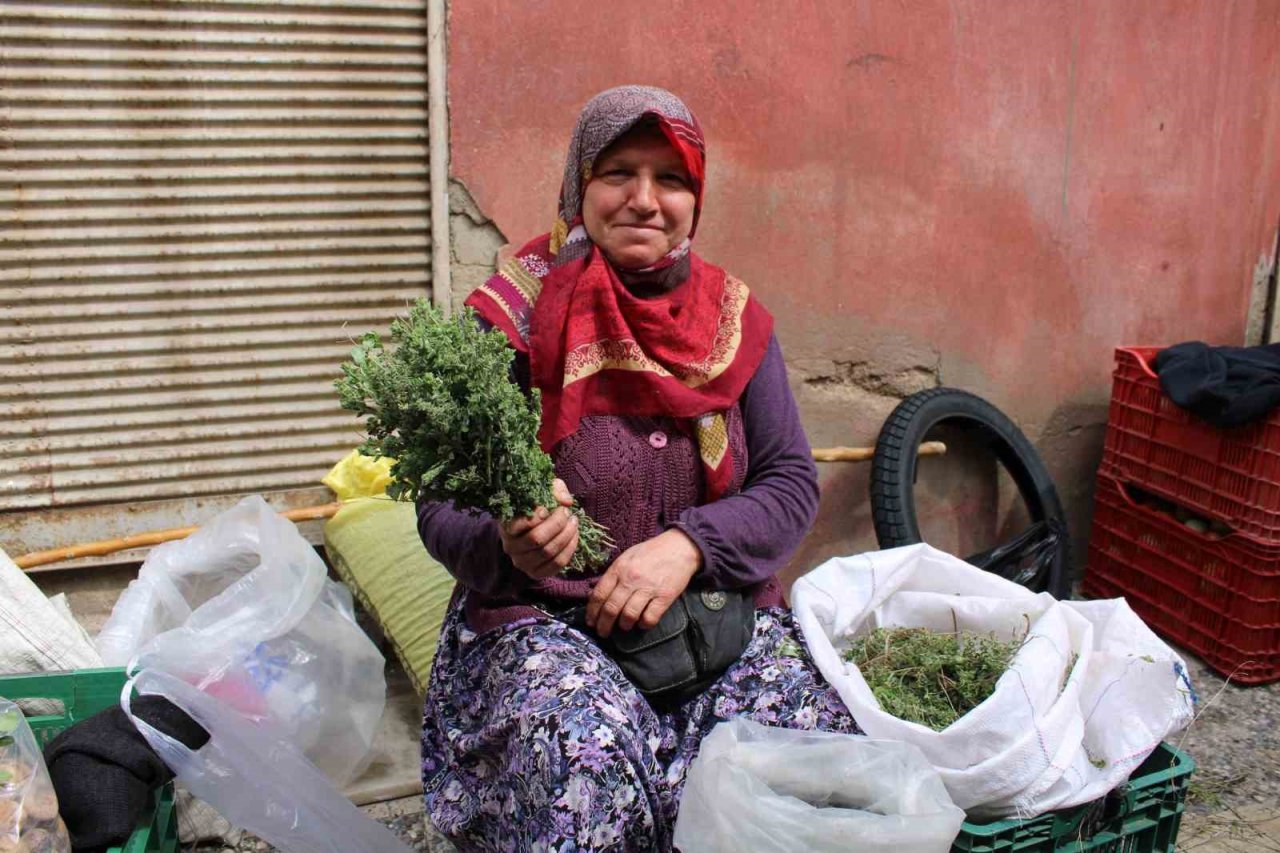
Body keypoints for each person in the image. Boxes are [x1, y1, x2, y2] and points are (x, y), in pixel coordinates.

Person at [417, 85, 858, 852]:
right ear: (578, 183)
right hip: (548, 627)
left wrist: (689, 545)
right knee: (582, 762)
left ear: (697, 195)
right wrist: (507, 539)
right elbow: (440, 504)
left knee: (821, 749)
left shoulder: (735, 319)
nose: (645, 200)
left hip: (710, 617)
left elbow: (789, 484)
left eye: (673, 178)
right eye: (619, 171)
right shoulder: (508, 319)